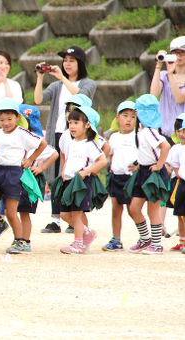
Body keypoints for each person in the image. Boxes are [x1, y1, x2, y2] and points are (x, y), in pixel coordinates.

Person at [34, 46, 97, 233]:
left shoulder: (88, 83)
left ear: (80, 63)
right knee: (55, 178)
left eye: (71, 61)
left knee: (71, 175)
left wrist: (62, 77)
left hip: (77, 135)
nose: (67, 64)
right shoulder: (56, 86)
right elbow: (38, 99)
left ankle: (73, 218)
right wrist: (39, 77)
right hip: (57, 133)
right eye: (65, 60)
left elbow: (80, 95)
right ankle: (56, 219)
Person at [0, 98, 47, 254]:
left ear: (17, 117)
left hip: (14, 173)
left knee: (11, 211)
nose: (6, 123)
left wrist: (30, 159)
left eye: (9, 119)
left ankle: (20, 241)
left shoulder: (22, 133)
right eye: (2, 120)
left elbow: (42, 143)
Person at [57, 106, 107, 254]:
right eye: (70, 122)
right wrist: (64, 172)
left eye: (76, 123)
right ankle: (87, 233)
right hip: (69, 182)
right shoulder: (72, 142)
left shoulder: (89, 144)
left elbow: (102, 160)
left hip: (81, 183)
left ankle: (78, 243)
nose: (72, 126)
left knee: (77, 213)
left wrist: (86, 171)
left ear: (87, 125)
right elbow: (67, 158)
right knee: (64, 214)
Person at [126, 94, 171, 255]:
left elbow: (165, 147)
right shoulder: (142, 130)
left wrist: (159, 165)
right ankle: (146, 239)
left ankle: (157, 244)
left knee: (153, 210)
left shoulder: (151, 131)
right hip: (143, 171)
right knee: (133, 208)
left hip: (154, 174)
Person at [17, 104, 59, 252]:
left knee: (24, 212)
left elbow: (54, 154)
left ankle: (25, 241)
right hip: (14, 178)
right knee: (13, 210)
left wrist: (40, 168)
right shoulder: (15, 135)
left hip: (28, 180)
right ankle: (18, 239)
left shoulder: (36, 140)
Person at [102, 101, 138, 251]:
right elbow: (108, 154)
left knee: (133, 209)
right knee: (116, 208)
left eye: (133, 117)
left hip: (131, 178)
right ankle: (116, 239)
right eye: (125, 116)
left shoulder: (138, 136)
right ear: (117, 118)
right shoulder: (114, 137)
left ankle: (145, 237)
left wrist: (139, 167)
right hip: (116, 177)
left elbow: (147, 155)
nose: (129, 120)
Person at [150, 36, 185, 145]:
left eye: (182, 52)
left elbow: (179, 98)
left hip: (182, 132)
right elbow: (153, 94)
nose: (178, 56)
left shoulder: (168, 75)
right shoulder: (163, 76)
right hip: (164, 130)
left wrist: (170, 74)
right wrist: (158, 66)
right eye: (175, 53)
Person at [0, 50, 23, 125]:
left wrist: (5, 83)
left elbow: (14, 104)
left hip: (5, 125)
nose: (4, 66)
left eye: (7, 63)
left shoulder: (14, 85)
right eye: (0, 63)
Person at [166, 113, 185, 252]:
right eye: (179, 130)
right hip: (181, 183)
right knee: (180, 212)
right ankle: (182, 240)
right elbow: (174, 165)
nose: (182, 134)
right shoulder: (176, 148)